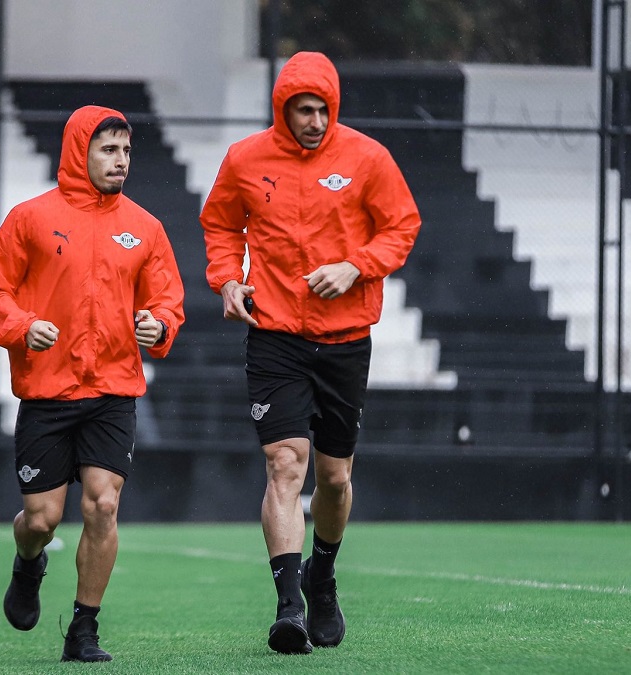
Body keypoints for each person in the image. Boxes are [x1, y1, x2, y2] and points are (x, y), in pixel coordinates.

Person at [199, 51, 421, 654]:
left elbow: (402, 226)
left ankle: (322, 575)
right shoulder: (246, 159)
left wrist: (356, 266)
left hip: (345, 339)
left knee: (335, 477)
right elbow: (221, 224)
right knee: (285, 465)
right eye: (304, 109)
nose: (316, 120)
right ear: (283, 109)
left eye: (324, 109)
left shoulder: (367, 158)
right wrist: (227, 278)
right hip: (274, 335)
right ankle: (289, 606)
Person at [0, 105, 185, 663]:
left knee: (102, 506)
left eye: (127, 151)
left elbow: (168, 302)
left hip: (113, 391)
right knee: (41, 519)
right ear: (79, 153)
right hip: (47, 394)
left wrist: (158, 325)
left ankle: (84, 629)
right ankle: (29, 561)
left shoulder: (146, 227)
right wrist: (23, 327)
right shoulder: (30, 218)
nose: (120, 161)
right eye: (108, 150)